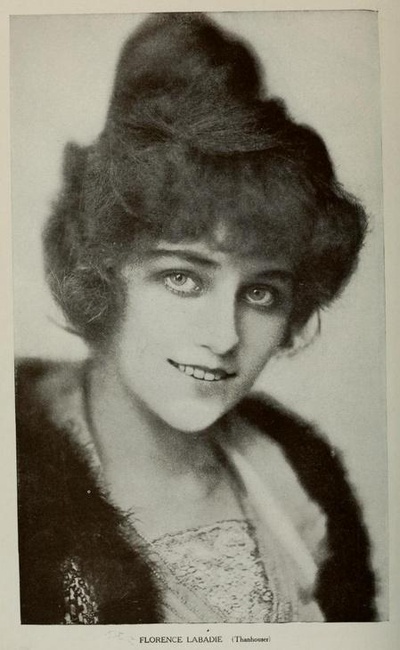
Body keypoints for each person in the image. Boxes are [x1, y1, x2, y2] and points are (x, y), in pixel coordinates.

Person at [15, 13, 377, 624]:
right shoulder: (19, 485)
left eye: (260, 293)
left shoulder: (300, 482)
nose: (224, 337)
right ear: (104, 270)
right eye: (182, 278)